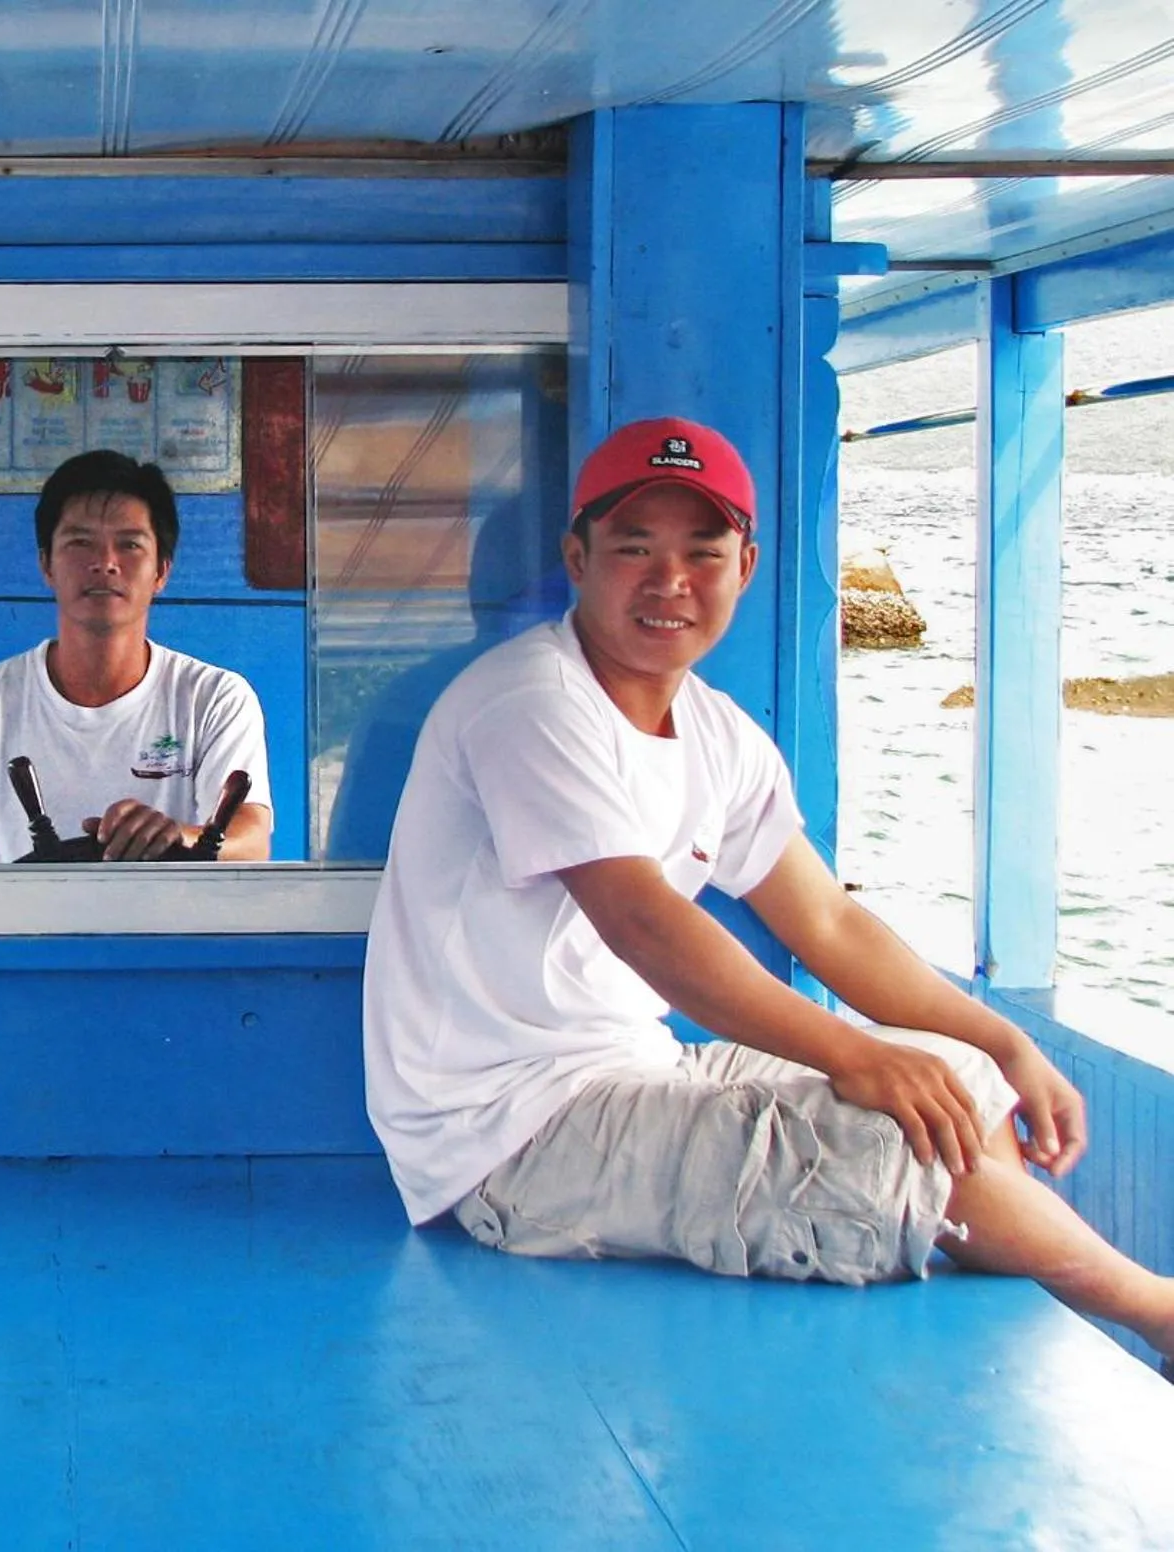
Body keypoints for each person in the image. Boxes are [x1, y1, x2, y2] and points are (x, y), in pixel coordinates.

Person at [364, 415, 1174, 1365]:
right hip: (505, 1132)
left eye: (702, 553)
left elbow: (828, 920)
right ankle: (1155, 1312)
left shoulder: (715, 732)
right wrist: (852, 1055)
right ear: (578, 559)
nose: (669, 580)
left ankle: (1042, 1333)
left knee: (961, 1085)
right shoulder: (532, 702)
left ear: (744, 567)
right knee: (888, 1142)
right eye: (635, 548)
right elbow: (643, 924)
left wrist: (1003, 1040)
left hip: (635, 1067)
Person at [0, 449, 272, 862]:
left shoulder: (215, 698)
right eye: (80, 542)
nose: (105, 563)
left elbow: (251, 844)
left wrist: (176, 836)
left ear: (161, 571)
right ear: (46, 565)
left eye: (129, 544)